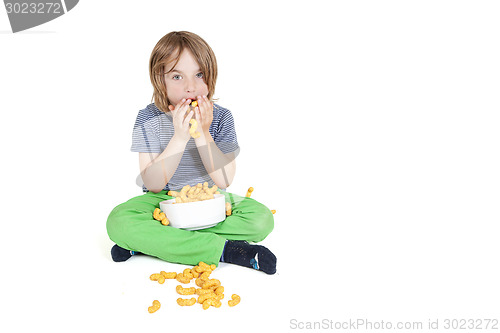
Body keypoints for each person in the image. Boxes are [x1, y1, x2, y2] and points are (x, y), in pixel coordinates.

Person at [106, 31, 277, 274]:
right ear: (159, 79)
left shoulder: (222, 117)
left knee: (261, 219)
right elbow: (153, 184)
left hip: (211, 202)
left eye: (199, 75)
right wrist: (179, 137)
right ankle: (227, 250)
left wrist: (203, 134)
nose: (191, 87)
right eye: (177, 76)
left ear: (211, 77)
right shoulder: (147, 118)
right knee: (119, 220)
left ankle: (153, 242)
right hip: (162, 202)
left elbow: (224, 180)